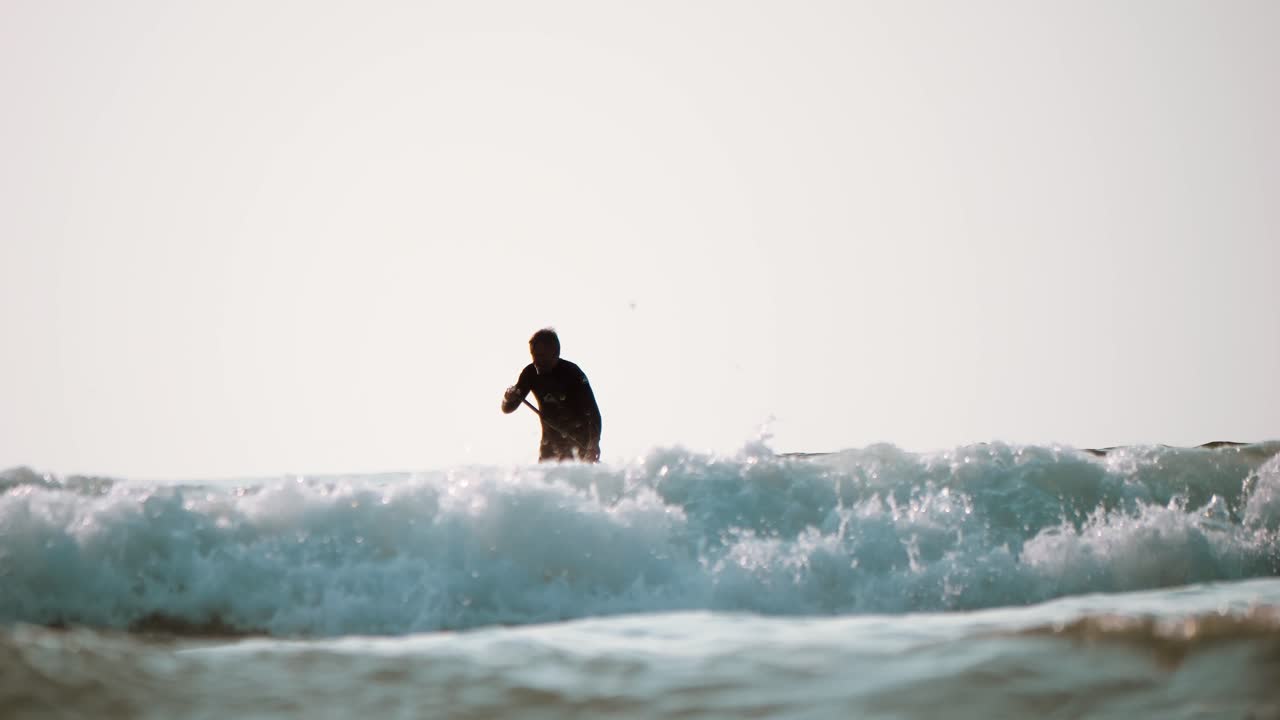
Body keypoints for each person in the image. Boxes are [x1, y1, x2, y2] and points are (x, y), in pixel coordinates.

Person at [501, 328, 602, 462]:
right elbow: (507, 408)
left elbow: (593, 413)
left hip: (578, 444)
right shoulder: (530, 373)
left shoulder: (573, 373)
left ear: (555, 353)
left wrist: (594, 444)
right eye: (534, 355)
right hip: (549, 446)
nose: (536, 361)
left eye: (541, 356)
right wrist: (508, 397)